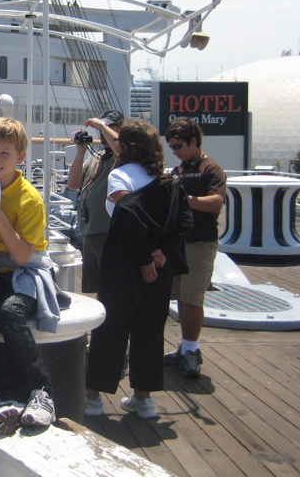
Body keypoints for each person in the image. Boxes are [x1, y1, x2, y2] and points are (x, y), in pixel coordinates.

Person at [84, 119, 192, 419]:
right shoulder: (169, 181)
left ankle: (92, 397)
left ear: (125, 147)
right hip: (161, 265)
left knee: (110, 328)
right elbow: (184, 222)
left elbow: (128, 216)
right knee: (149, 330)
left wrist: (144, 259)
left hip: (125, 263)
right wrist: (161, 252)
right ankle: (143, 400)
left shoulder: (120, 175)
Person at [0, 117, 70, 435]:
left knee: (10, 312)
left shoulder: (29, 200)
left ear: (20, 158)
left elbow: (24, 255)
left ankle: (41, 393)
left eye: (5, 153)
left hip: (26, 270)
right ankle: (0, 396)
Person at [163, 118, 226, 378]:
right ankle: (184, 349)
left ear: (193, 141)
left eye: (178, 145)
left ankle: (190, 351)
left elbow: (216, 202)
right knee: (176, 297)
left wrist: (184, 200)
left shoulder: (211, 168)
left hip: (200, 243)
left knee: (191, 299)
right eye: (171, 147)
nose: (175, 151)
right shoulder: (177, 170)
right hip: (177, 244)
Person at [66, 110, 124, 293]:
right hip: (90, 231)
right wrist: (80, 152)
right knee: (98, 288)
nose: (102, 132)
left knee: (112, 286)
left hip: (108, 231)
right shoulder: (96, 157)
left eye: (109, 126)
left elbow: (120, 146)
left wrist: (100, 125)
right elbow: (74, 183)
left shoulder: (122, 155)